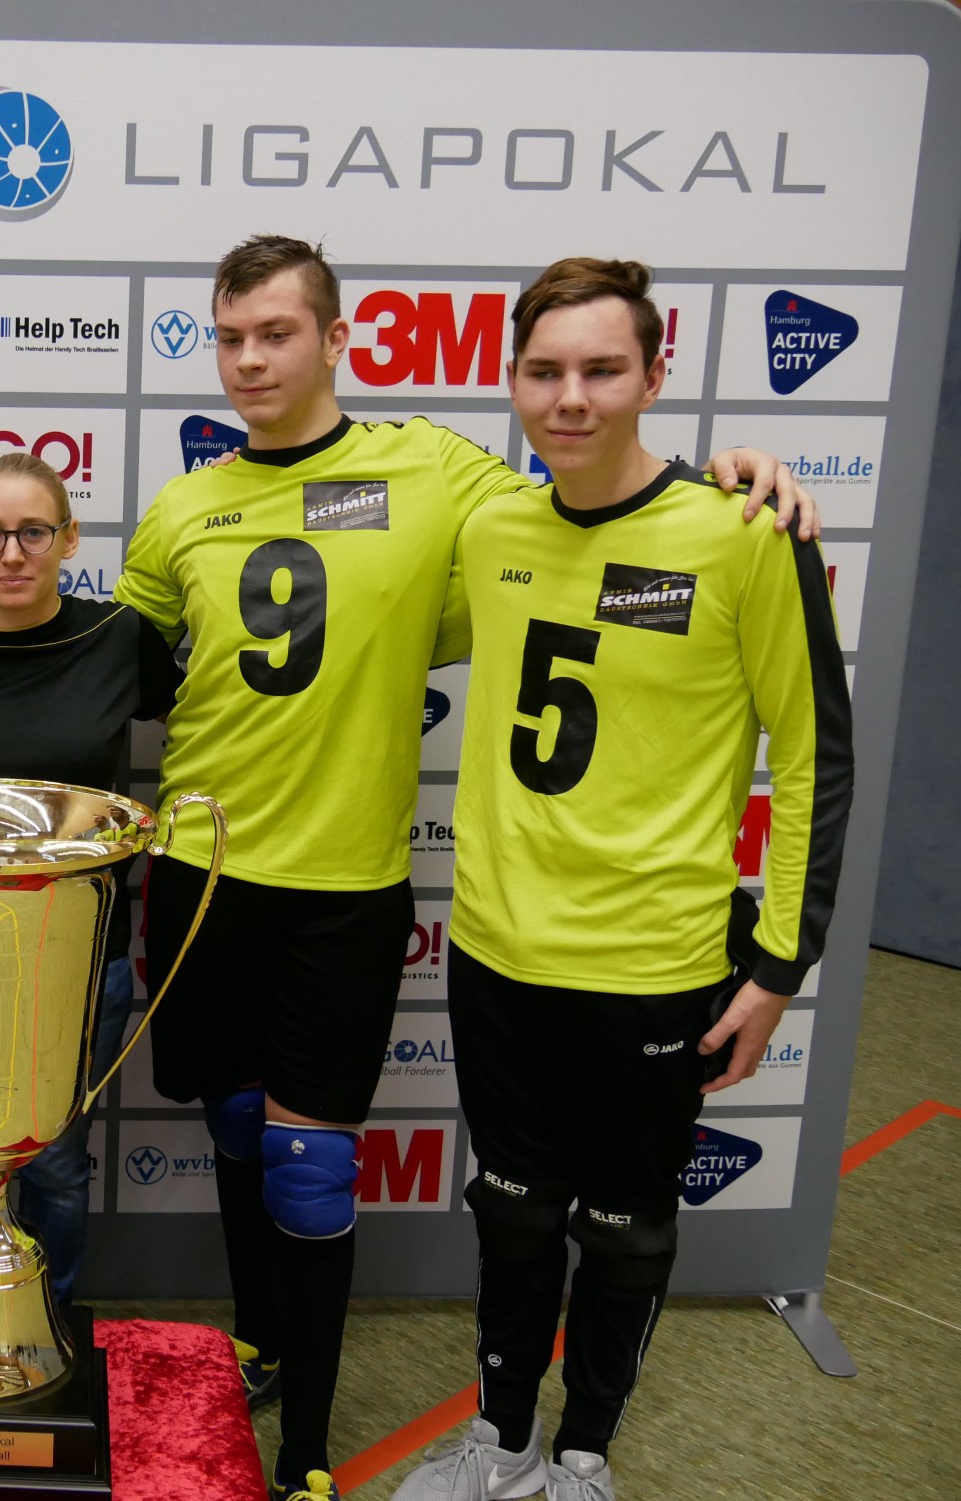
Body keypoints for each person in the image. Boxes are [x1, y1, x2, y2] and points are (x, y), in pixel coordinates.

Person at [111, 235, 818, 1501]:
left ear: (339, 340)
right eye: (230, 336)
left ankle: (364, 1454)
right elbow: (126, 671)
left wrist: (742, 468)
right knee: (248, 1127)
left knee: (340, 1168)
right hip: (233, 878)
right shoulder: (196, 508)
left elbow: (606, 492)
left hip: (392, 894)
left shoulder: (450, 475)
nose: (251, 357)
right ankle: (299, 1357)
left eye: (278, 331)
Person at [389, 259, 851, 1501]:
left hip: (655, 969)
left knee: (627, 1230)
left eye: (601, 369)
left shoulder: (746, 534)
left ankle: (584, 1454)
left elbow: (812, 758)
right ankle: (501, 1438)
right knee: (514, 1214)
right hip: (495, 955)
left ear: (655, 375)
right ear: (512, 381)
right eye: (544, 371)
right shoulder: (489, 528)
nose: (571, 397)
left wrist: (776, 967)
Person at [0, 450, 184, 1308]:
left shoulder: (119, 637)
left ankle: (41, 1334)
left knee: (55, 1163)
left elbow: (217, 723)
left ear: (68, 537)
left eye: (33, 531)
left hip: (77, 960)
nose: (12, 552)